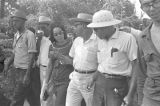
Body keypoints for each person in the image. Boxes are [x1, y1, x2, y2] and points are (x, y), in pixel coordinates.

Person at [87, 10, 138, 106]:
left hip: (118, 85)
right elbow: (103, 63)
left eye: (96, 29)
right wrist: (94, 78)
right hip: (100, 83)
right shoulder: (99, 39)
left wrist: (130, 95)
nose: (94, 33)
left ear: (107, 27)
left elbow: (136, 66)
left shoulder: (127, 39)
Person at [123, 0, 160, 106]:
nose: (151, 8)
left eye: (155, 2)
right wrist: (140, 102)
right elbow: (142, 73)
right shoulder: (143, 37)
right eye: (146, 5)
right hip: (152, 96)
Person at [3, 10, 40, 106]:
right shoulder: (16, 35)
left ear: (23, 22)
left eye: (16, 21)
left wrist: (27, 75)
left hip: (26, 71)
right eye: (13, 21)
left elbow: (32, 55)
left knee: (16, 98)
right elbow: (15, 52)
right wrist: (8, 64)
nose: (14, 23)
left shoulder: (29, 35)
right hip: (17, 70)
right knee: (31, 98)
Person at [65, 13, 98, 106]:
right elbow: (71, 60)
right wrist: (60, 57)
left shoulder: (98, 41)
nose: (74, 28)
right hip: (75, 78)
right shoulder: (77, 40)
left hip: (90, 79)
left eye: (76, 25)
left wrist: (93, 78)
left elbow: (102, 63)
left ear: (83, 26)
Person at [42, 23, 73, 106]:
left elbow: (75, 62)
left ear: (64, 32)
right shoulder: (52, 46)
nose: (59, 36)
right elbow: (50, 65)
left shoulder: (71, 44)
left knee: (59, 103)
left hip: (65, 80)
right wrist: (46, 82)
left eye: (60, 33)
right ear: (53, 36)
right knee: (46, 101)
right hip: (53, 80)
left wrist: (61, 57)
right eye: (55, 34)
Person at [35, 15, 53, 106]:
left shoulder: (53, 37)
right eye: (39, 26)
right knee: (43, 93)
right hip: (41, 68)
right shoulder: (39, 38)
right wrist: (38, 39)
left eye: (43, 27)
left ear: (48, 26)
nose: (41, 29)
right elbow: (36, 52)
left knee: (47, 92)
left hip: (51, 69)